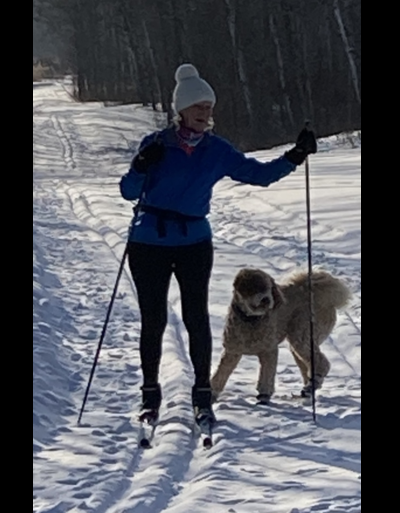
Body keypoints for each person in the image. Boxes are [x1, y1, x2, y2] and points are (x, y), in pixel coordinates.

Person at [119, 63, 317, 427]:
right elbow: (128, 191)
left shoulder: (216, 149)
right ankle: (150, 395)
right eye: (198, 107)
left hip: (194, 241)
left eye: (209, 107)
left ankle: (202, 396)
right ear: (181, 110)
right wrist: (140, 164)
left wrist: (295, 155)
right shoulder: (157, 145)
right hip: (148, 240)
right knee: (154, 319)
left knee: (196, 318)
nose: (205, 113)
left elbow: (258, 175)